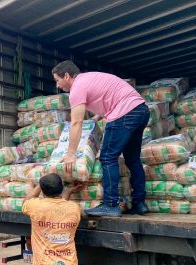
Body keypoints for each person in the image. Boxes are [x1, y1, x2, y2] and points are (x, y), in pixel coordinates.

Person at [52, 60, 150, 217]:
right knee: (132, 159)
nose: (57, 85)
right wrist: (97, 118)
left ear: (67, 76)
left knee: (108, 157)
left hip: (124, 113)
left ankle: (111, 205)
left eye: (58, 80)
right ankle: (139, 203)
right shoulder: (90, 77)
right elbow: (107, 97)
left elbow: (76, 122)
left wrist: (71, 153)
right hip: (141, 110)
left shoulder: (77, 88)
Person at [22, 174, 83, 265]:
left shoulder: (35, 206)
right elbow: (59, 209)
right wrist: (68, 192)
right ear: (61, 188)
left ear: (42, 191)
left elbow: (25, 203)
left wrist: (40, 184)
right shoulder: (74, 208)